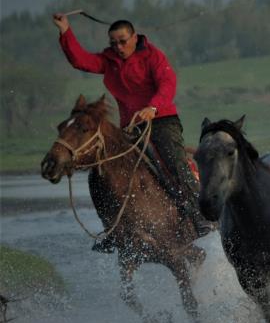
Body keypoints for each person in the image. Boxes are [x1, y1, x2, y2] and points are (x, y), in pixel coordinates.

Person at [52, 14, 213, 252]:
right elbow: (81, 61)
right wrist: (65, 31)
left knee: (174, 163)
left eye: (122, 41)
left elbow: (168, 82)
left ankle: (199, 215)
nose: (118, 47)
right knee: (100, 171)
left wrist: (153, 107)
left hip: (162, 120)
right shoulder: (108, 60)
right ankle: (113, 230)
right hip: (130, 127)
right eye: (113, 42)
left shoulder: (153, 56)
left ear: (134, 37)